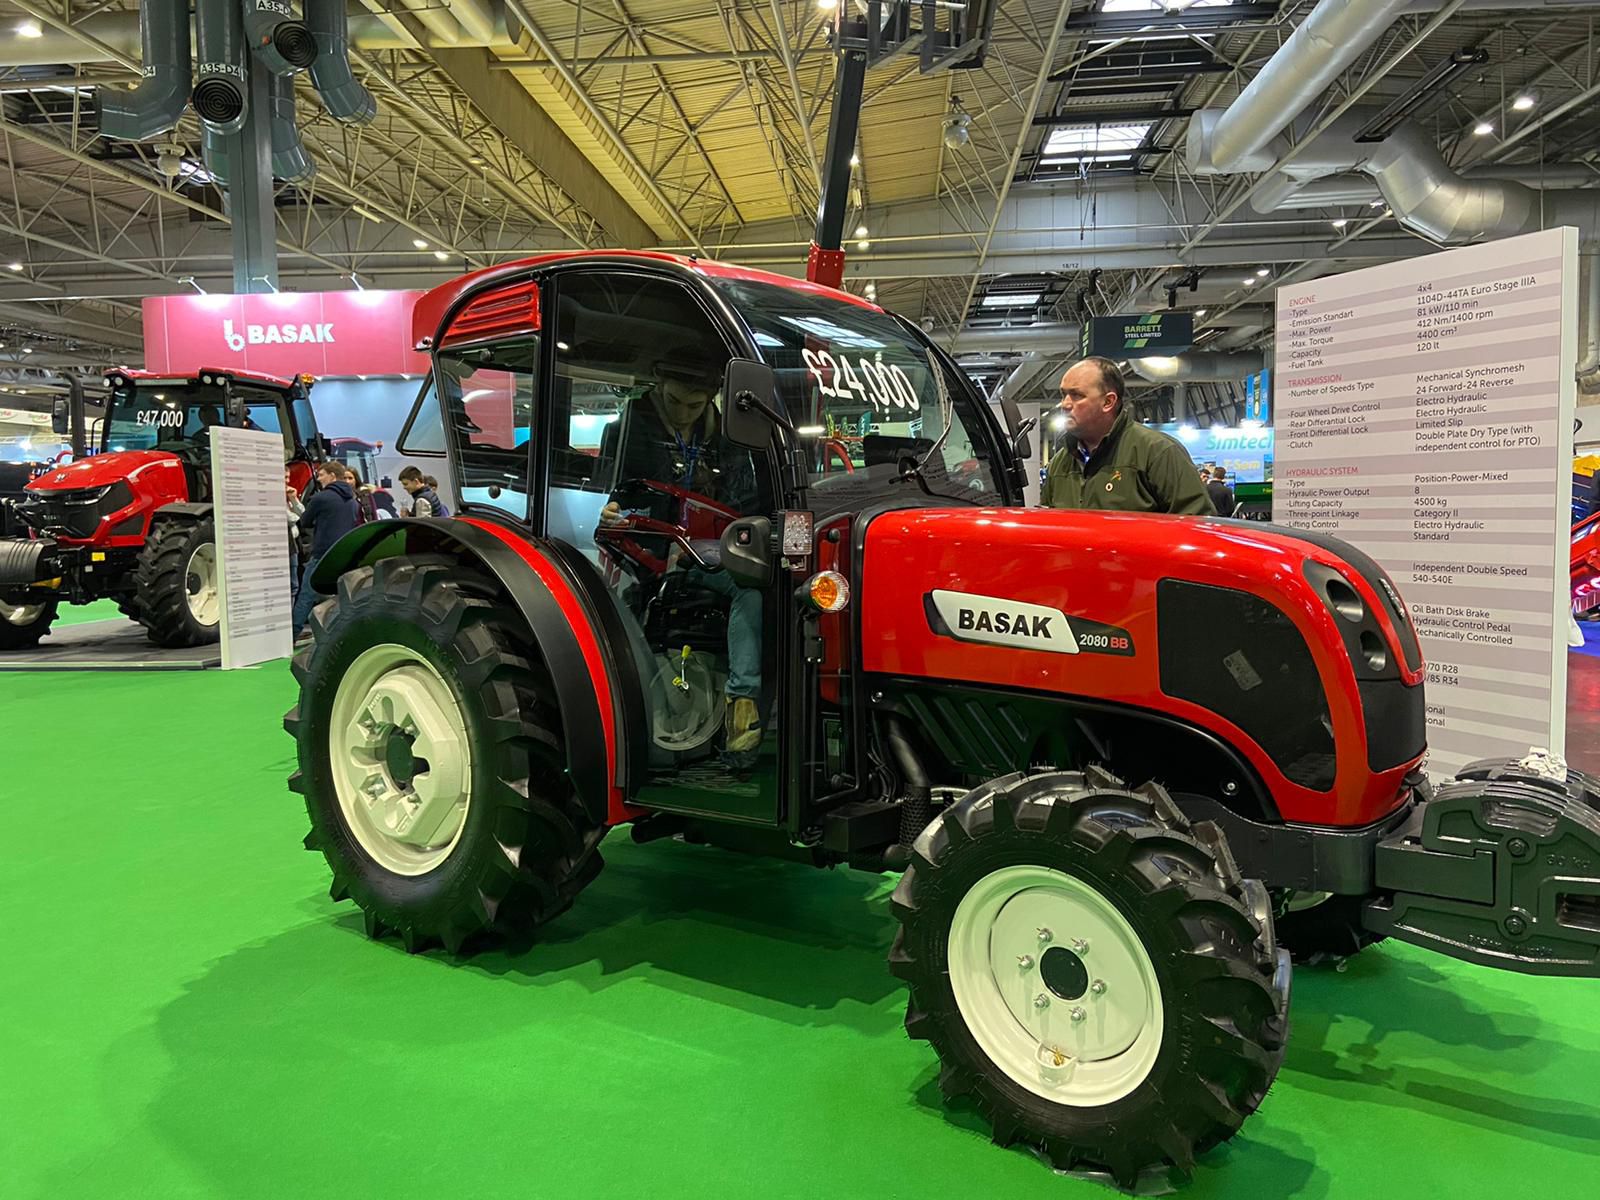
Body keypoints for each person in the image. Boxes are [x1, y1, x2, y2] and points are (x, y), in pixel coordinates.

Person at [598, 361, 763, 759]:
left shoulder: (729, 442)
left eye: (695, 404)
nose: (683, 411)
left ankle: (742, 704)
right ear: (658, 383)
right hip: (644, 554)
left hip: (707, 550)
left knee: (752, 589)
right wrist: (610, 509)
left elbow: (743, 498)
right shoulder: (625, 435)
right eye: (673, 400)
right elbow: (609, 491)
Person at [1040, 357, 1215, 515]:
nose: (1065, 404)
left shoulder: (1158, 453)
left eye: (1077, 395)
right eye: (1064, 395)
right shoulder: (1059, 463)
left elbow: (1198, 526)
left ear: (1108, 402)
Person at [292, 462, 359, 639]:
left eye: (321, 475)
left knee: (306, 594)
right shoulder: (352, 500)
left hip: (322, 554)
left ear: (332, 476)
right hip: (343, 554)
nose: (319, 479)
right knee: (340, 595)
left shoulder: (321, 498)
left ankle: (292, 634)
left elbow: (305, 521)